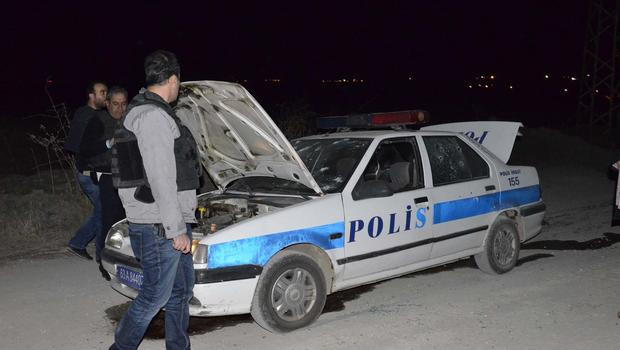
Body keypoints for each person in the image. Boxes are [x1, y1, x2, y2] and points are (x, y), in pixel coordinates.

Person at [110, 50, 200, 350]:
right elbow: (161, 177)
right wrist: (176, 229)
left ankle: (178, 346)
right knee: (154, 297)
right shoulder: (152, 116)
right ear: (173, 80)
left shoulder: (150, 111)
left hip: (166, 221)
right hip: (159, 225)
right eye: (179, 81)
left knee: (181, 292)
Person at [65, 81, 108, 260]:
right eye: (102, 92)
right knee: (103, 210)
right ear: (91, 95)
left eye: (106, 92)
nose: (105, 95)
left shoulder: (86, 113)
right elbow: (80, 146)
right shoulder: (88, 116)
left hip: (89, 171)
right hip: (89, 173)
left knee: (101, 209)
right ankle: (97, 250)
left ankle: (78, 243)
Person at [96, 86, 129, 280]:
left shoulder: (129, 121)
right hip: (108, 178)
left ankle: (124, 261)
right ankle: (104, 263)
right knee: (109, 222)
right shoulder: (99, 122)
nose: (119, 108)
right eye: (115, 104)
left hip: (128, 179)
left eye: (123, 104)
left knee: (126, 221)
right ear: (107, 103)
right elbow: (89, 153)